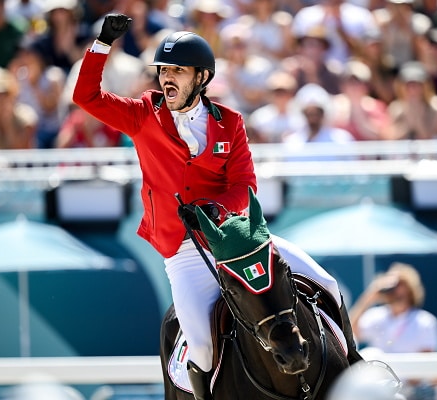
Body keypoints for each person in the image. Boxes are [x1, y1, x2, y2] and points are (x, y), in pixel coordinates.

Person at [73, 14, 359, 400]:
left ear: (201, 78)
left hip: (235, 238)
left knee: (326, 282)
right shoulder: (143, 114)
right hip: (184, 250)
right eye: (163, 70)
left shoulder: (230, 124)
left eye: (178, 70)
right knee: (204, 350)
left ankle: (355, 366)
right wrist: (103, 44)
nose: (166, 78)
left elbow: (246, 185)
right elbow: (85, 97)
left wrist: (213, 209)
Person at [349, 262, 437, 353]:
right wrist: (369, 297)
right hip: (381, 367)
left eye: (398, 284)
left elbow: (427, 357)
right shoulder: (376, 316)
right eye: (390, 285)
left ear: (409, 288)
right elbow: (350, 332)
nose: (393, 289)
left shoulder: (425, 321)